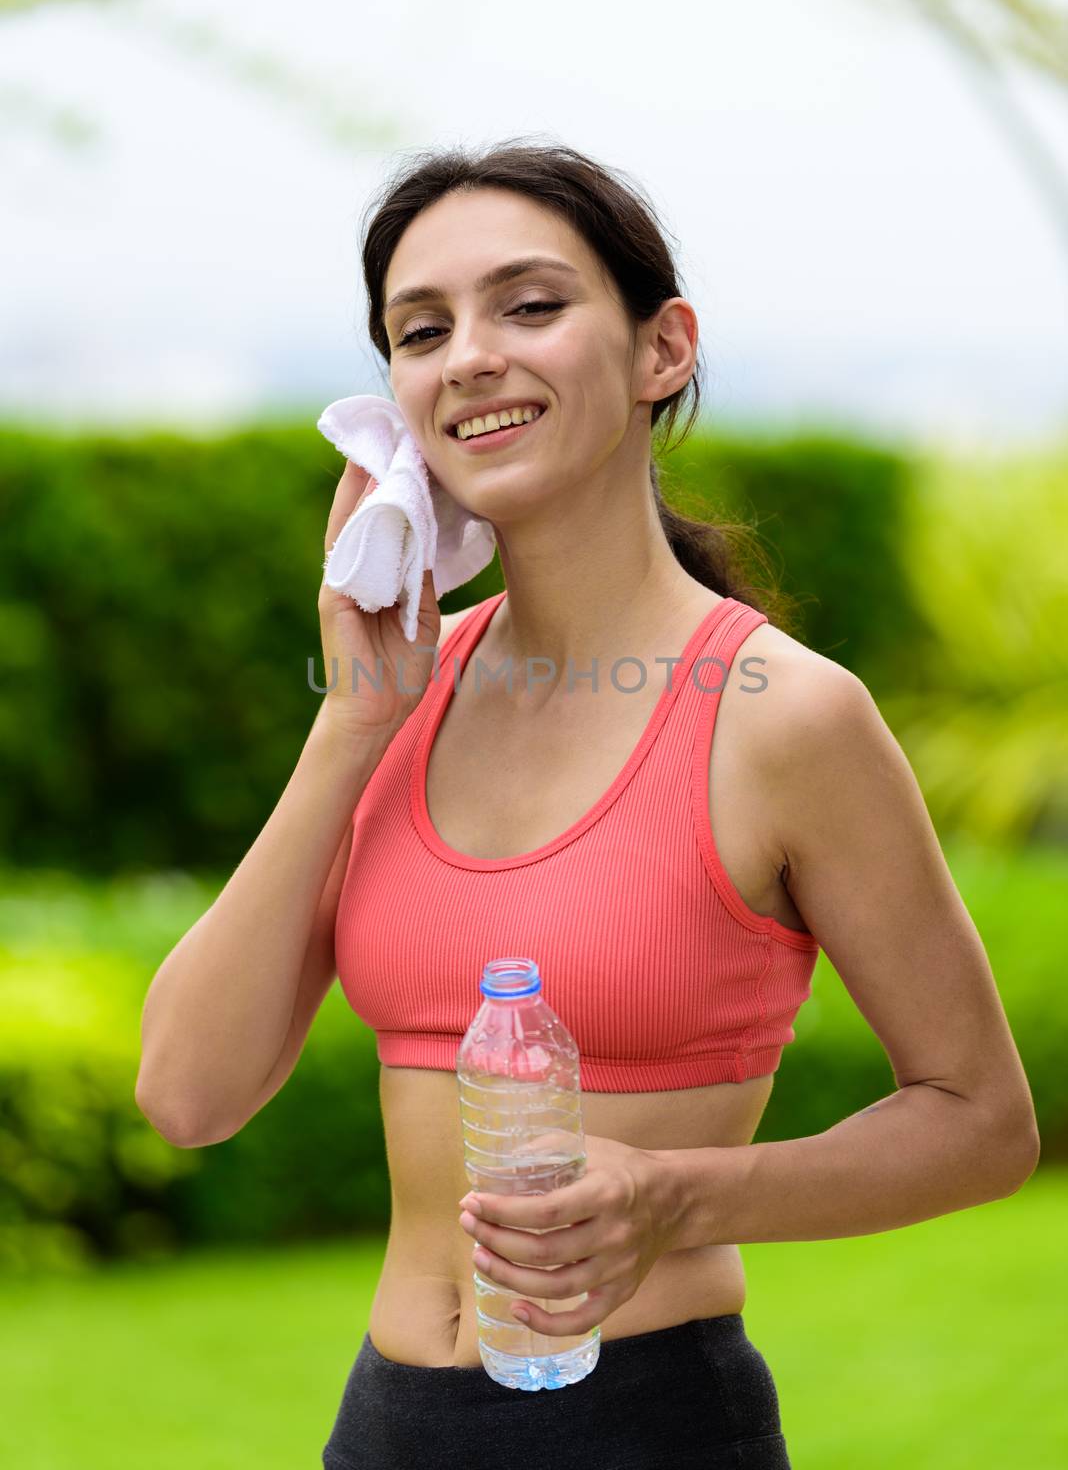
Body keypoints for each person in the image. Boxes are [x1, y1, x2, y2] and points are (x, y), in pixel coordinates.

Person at [135, 140, 1040, 1470]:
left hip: (644, 1423)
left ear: (661, 350)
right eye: (422, 329)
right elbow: (188, 1093)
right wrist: (350, 724)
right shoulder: (397, 697)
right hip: (387, 1424)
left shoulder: (784, 717)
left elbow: (981, 1122)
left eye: (532, 305)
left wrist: (674, 1197)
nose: (471, 357)